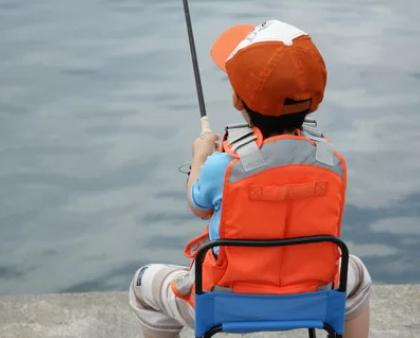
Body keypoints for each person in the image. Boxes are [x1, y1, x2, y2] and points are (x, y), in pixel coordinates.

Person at [129, 20, 373, 338]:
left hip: (224, 301)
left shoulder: (224, 166)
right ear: (315, 98)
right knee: (357, 273)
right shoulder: (330, 162)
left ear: (237, 101)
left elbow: (198, 205)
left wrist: (200, 157)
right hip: (313, 296)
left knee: (144, 283)